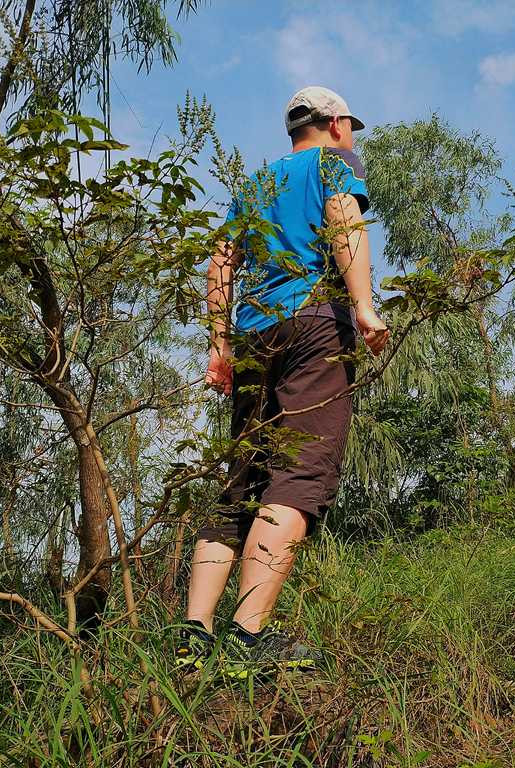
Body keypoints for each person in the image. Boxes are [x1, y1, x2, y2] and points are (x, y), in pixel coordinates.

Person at [173, 86, 389, 675]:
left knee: (242, 481)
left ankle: (193, 641)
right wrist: (364, 306)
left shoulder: (257, 183)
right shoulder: (334, 164)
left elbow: (221, 260)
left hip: (251, 336)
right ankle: (246, 640)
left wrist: (219, 347)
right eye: (350, 126)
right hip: (314, 323)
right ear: (337, 124)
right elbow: (346, 223)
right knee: (300, 474)